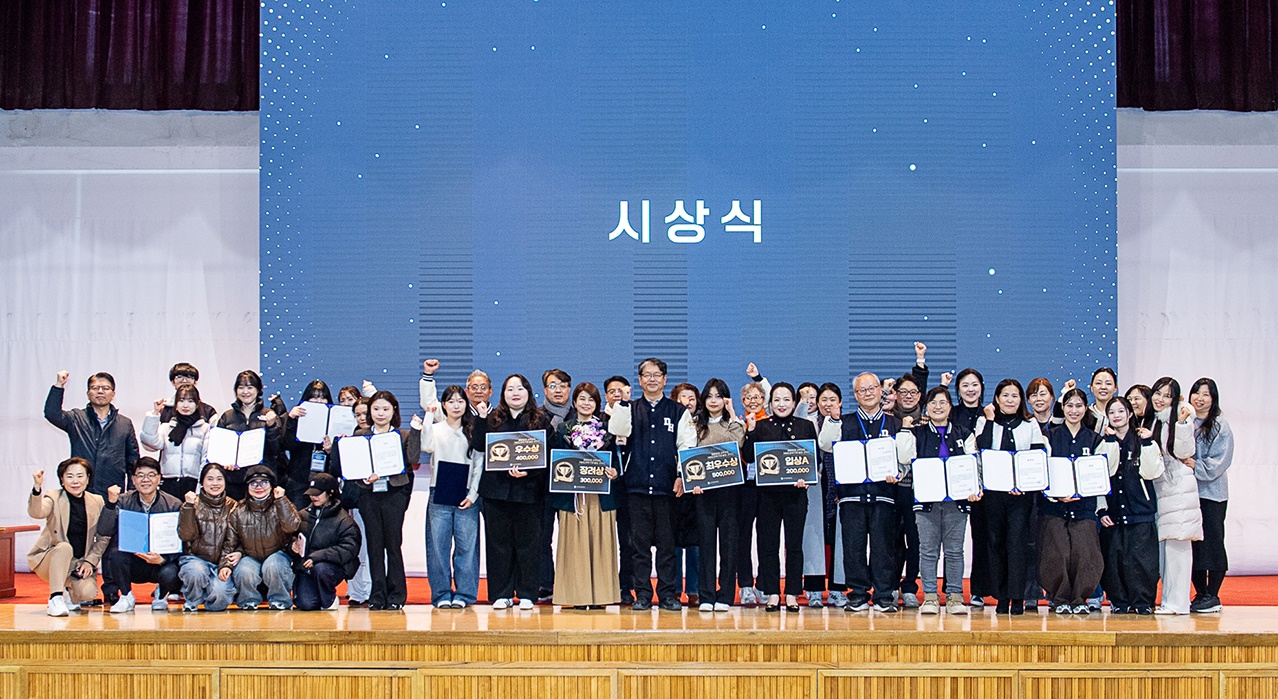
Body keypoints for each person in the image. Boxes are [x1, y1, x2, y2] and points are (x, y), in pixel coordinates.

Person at [607, 358, 697, 612]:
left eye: (657, 375)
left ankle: (667, 594)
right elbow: (618, 431)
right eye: (647, 375)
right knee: (639, 547)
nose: (652, 379)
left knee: (668, 547)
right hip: (635, 487)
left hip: (668, 488)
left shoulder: (678, 411)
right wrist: (622, 404)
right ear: (639, 380)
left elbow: (687, 445)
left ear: (665, 379)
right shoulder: (630, 408)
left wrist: (681, 475)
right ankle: (643, 594)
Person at [818, 372, 905, 613]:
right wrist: (832, 420)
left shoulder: (895, 423)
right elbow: (825, 445)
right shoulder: (843, 421)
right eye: (862, 390)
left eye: (871, 388)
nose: (867, 394)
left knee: (883, 547)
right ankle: (857, 594)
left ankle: (884, 595)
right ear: (855, 395)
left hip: (883, 494)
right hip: (851, 496)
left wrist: (899, 472)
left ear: (880, 391)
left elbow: (904, 458)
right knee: (853, 547)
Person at [330, 390, 423, 610]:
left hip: (394, 495)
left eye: (385, 409)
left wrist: (417, 431)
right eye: (376, 409)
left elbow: (413, 458)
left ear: (394, 411)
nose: (381, 413)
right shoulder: (360, 435)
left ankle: (397, 595)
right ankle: (377, 595)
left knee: (393, 544)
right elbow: (349, 467)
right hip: (368, 494)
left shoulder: (403, 435)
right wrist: (363, 476)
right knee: (374, 545)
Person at [470, 374, 555, 610]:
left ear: (528, 392)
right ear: (503, 394)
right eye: (510, 389)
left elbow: (549, 457)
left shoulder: (541, 421)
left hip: (529, 493)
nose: (515, 393)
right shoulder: (492, 419)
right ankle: (502, 593)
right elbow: (478, 445)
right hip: (496, 493)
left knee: (529, 545)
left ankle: (527, 593)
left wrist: (529, 472)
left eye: (520, 388)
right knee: (498, 545)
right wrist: (481, 418)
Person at [896, 386, 979, 615]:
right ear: (926, 408)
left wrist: (974, 488)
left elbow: (974, 464)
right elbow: (904, 458)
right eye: (933, 403)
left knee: (954, 551)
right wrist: (905, 429)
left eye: (943, 402)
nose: (938, 407)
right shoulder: (917, 433)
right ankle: (930, 597)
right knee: (928, 551)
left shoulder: (964, 433)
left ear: (950, 407)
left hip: (957, 502)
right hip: (926, 502)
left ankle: (954, 596)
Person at [973, 379, 1048, 615]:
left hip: (1020, 495)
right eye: (1005, 395)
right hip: (993, 494)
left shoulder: (1030, 423)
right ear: (996, 398)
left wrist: (1025, 484)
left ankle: (1017, 597)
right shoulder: (985, 421)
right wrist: (990, 420)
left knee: (1017, 544)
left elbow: (1037, 456)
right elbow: (981, 449)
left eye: (1015, 396)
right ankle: (1001, 596)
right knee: (995, 543)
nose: (1010, 400)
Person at [743, 382, 816, 613]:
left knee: (794, 546)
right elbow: (748, 456)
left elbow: (813, 459)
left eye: (786, 399)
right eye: (776, 400)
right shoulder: (761, 426)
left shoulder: (805, 425)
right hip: (767, 496)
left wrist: (807, 478)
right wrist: (750, 431)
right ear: (770, 403)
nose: (781, 404)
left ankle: (792, 593)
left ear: (794, 402)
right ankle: (772, 592)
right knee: (768, 545)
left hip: (796, 495)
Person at [551, 382, 622, 609]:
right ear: (574, 402)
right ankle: (576, 597)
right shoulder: (563, 429)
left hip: (601, 496)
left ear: (597, 403)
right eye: (582, 399)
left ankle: (601, 596)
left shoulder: (608, 429)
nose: (586, 403)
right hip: (573, 498)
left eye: (591, 399)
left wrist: (615, 472)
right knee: (574, 545)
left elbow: (618, 459)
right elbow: (557, 462)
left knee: (601, 544)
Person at [1039, 389, 1109, 614]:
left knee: (1085, 553)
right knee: (1057, 553)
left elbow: (1100, 474)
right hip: (1054, 506)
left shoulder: (1095, 439)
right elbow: (1042, 471)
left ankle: (1080, 599)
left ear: (1085, 409)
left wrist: (1088, 495)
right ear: (1063, 408)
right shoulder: (1049, 436)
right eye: (1069, 406)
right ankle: (1059, 598)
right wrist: (1055, 494)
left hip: (1084, 506)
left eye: (1079, 406)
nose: (1074, 411)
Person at [1098, 397, 1164, 615]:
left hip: (1140, 513)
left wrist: (1147, 443)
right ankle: (1119, 601)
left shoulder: (1143, 439)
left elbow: (1152, 472)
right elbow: (1103, 475)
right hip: (1113, 514)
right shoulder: (1104, 442)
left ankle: (1143, 602)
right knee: (1114, 561)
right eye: (1111, 412)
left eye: (1121, 411)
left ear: (1129, 414)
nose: (1116, 416)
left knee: (1142, 562)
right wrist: (1102, 509)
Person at [420, 383, 483, 608]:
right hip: (439, 491)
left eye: (460, 401)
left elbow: (479, 464)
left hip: (467, 494)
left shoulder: (473, 430)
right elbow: (426, 446)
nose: (456, 406)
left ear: (466, 404)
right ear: (443, 405)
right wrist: (428, 416)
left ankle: (465, 594)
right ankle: (441, 594)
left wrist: (473, 494)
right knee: (438, 547)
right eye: (451, 401)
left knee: (467, 547)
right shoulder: (436, 428)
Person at [97, 457, 184, 613]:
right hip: (133, 560)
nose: (145, 480)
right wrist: (110, 504)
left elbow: (182, 541)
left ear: (159, 478)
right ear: (133, 479)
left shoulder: (174, 504)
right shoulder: (122, 501)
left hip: (160, 561)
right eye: (140, 475)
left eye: (151, 475)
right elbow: (104, 530)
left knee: (172, 572)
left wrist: (163, 559)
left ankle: (161, 595)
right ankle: (126, 596)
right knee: (116, 555)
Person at [688, 378, 745, 612]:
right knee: (706, 545)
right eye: (709, 396)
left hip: (730, 492)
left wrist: (732, 414)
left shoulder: (734, 423)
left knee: (729, 546)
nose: (714, 401)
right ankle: (707, 595)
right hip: (704, 493)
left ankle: (725, 596)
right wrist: (693, 482)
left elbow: (738, 443)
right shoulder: (694, 425)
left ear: (726, 400)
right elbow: (688, 454)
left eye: (719, 396)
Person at [28, 457, 111, 617]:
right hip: (50, 558)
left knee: (88, 593)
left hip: (77, 563)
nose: (75, 481)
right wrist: (37, 487)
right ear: (62, 479)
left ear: (88, 478)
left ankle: (67, 591)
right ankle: (55, 598)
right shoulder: (53, 497)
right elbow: (37, 512)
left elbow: (103, 537)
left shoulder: (97, 501)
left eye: (80, 476)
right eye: (70, 476)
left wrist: (90, 561)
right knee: (64, 548)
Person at [1148, 377, 1201, 615]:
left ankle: (1178, 603)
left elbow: (1184, 451)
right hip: (1163, 491)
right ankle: (1169, 601)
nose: (1160, 399)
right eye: (1158, 393)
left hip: (1178, 492)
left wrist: (1182, 423)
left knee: (1178, 549)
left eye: (1167, 395)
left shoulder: (1181, 420)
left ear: (1176, 399)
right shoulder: (1154, 420)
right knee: (1166, 552)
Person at [44, 370, 140, 498]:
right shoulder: (76, 418)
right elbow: (52, 413)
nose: (100, 391)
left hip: (112, 491)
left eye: (105, 388)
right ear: (88, 393)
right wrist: (59, 385)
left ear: (113, 394)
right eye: (95, 388)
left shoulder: (124, 423)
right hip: (82, 492)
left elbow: (133, 461)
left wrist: (132, 493)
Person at [218, 464, 302, 610]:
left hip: (279, 554)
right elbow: (230, 542)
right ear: (247, 487)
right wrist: (225, 565)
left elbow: (292, 526)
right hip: (250, 555)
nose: (259, 487)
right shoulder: (238, 510)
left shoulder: (281, 503)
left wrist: (281, 500)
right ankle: (248, 601)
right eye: (253, 483)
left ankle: (280, 600)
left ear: (272, 486)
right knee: (244, 570)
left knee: (273, 566)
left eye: (264, 482)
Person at [1189, 377, 1233, 613]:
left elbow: (1220, 461)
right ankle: (1200, 593)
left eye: (1206, 394)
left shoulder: (1219, 425)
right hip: (1188, 493)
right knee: (1193, 544)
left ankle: (1213, 594)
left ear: (1213, 399)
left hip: (1212, 495)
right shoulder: (1185, 421)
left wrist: (1194, 465)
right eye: (1196, 393)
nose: (1200, 398)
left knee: (1213, 543)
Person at [292, 473, 362, 611]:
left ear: (330, 493)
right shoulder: (303, 515)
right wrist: (292, 545)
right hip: (306, 567)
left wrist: (318, 556)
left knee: (321, 569)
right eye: (311, 494)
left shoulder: (344, 520)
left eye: (318, 493)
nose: (314, 497)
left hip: (331, 566)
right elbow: (290, 537)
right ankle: (317, 594)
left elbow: (349, 548)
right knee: (305, 604)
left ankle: (329, 598)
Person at [214, 370, 285, 502]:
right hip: (233, 479)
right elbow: (219, 447)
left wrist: (271, 427)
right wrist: (225, 462)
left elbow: (277, 449)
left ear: (258, 390)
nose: (245, 392)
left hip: (260, 480)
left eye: (250, 387)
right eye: (241, 387)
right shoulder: (227, 416)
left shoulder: (269, 415)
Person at [951, 367, 989, 609]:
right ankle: (951, 590)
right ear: (958, 390)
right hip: (955, 484)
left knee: (982, 538)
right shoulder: (951, 413)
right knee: (951, 541)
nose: (970, 389)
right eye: (965, 385)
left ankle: (979, 590)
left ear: (982, 387)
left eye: (975, 384)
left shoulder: (990, 414)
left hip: (984, 486)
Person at [176, 464, 237, 612]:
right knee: (196, 572)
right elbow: (186, 535)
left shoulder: (233, 506)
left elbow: (233, 540)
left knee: (220, 596)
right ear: (202, 482)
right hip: (195, 559)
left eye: (219, 479)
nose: (215, 483)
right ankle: (192, 601)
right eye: (210, 479)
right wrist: (189, 507)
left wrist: (225, 565)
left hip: (221, 561)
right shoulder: (191, 504)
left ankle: (209, 598)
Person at [537, 368, 574, 603]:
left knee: (572, 537)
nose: (558, 390)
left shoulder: (580, 415)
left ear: (569, 389)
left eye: (562, 385)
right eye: (553, 385)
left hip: (571, 487)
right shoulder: (534, 416)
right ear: (544, 390)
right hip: (541, 486)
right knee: (542, 537)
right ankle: (544, 583)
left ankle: (570, 584)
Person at [735, 366, 770, 606]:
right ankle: (746, 585)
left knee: (767, 537)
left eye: (758, 396)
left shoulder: (772, 422)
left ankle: (765, 584)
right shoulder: (738, 424)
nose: (753, 401)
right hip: (744, 487)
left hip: (767, 486)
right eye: (748, 397)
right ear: (743, 401)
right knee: (743, 537)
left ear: (764, 399)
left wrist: (757, 377)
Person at [141, 385, 211, 499]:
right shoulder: (167, 427)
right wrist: (155, 413)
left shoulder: (205, 429)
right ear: (176, 404)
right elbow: (150, 442)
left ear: (197, 404)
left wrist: (200, 488)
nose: (185, 405)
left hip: (193, 484)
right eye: (181, 401)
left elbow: (205, 460)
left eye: (190, 401)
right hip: (168, 483)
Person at [603, 375, 637, 605]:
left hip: (629, 488)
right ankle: (603, 586)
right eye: (612, 391)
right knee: (604, 540)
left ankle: (626, 586)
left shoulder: (636, 418)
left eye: (621, 391)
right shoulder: (598, 421)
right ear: (605, 395)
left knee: (628, 541)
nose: (616, 394)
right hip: (604, 488)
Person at [815, 383, 849, 608]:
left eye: (832, 400)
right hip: (815, 488)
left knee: (840, 541)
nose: (828, 404)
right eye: (824, 400)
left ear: (840, 403)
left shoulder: (847, 425)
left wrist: (842, 489)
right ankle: (814, 589)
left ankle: (837, 589)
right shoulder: (809, 425)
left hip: (839, 489)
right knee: (815, 540)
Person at [670, 381, 702, 607]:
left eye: (692, 398)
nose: (688, 402)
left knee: (695, 543)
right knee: (672, 541)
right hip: (673, 485)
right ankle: (672, 589)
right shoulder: (668, 422)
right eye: (683, 397)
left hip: (698, 490)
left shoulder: (705, 424)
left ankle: (694, 589)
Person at [284, 380, 337, 509]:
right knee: (298, 517)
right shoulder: (296, 417)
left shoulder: (334, 419)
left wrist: (331, 451)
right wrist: (291, 420)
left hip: (324, 482)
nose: (319, 401)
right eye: (314, 397)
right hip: (298, 480)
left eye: (323, 397)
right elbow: (287, 444)